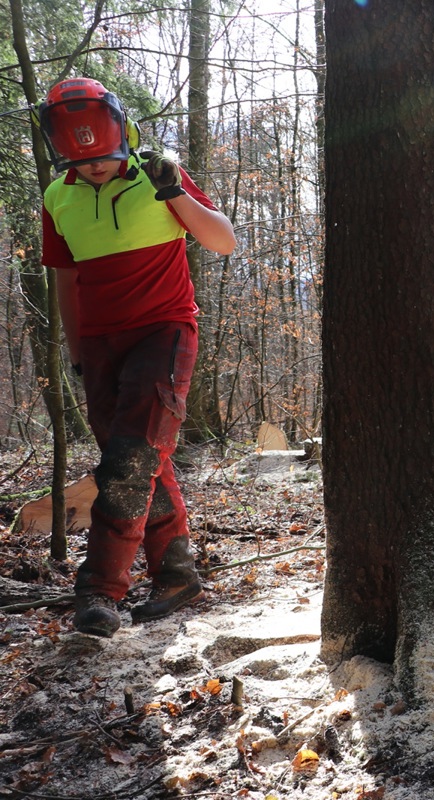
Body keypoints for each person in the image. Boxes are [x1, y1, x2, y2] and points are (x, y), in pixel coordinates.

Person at [38, 77, 237, 637]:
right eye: (85, 160)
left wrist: (174, 192)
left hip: (163, 332)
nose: (96, 167)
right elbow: (67, 279)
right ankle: (176, 574)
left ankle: (100, 589)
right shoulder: (57, 197)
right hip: (100, 343)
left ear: (121, 133)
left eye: (103, 155)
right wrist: (78, 352)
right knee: (144, 458)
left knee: (129, 461)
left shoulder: (158, 175)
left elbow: (223, 241)